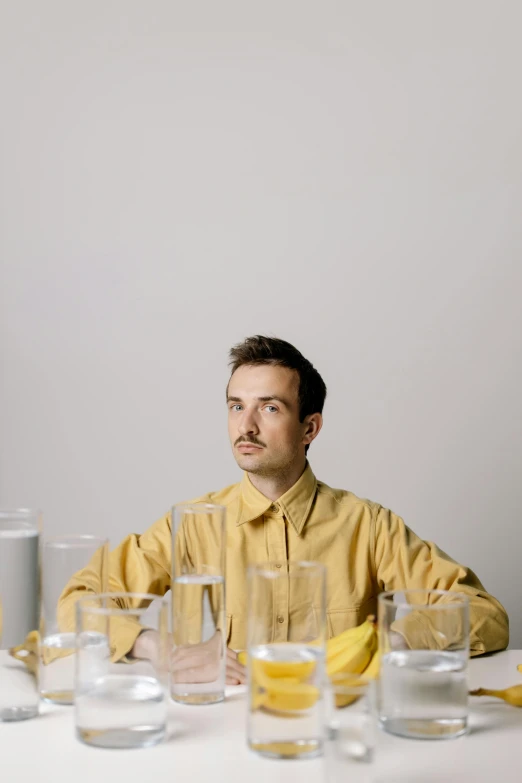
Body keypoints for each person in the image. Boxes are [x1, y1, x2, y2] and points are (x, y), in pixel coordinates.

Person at [59, 336, 509, 684]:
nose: (246, 425)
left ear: (309, 427)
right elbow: (77, 603)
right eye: (236, 406)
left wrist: (391, 641)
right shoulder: (191, 526)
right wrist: (156, 646)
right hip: (222, 741)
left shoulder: (368, 526)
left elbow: (484, 612)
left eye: (269, 408)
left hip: (337, 737)